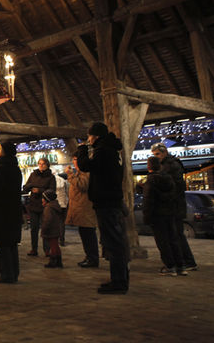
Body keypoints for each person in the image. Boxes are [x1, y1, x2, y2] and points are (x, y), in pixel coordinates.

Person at [77, 122, 129, 295]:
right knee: (115, 242)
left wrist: (82, 150)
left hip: (106, 201)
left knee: (113, 243)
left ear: (96, 136)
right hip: (111, 200)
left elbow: (85, 166)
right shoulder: (113, 151)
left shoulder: (103, 151)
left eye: (90, 136)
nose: (88, 139)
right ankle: (119, 278)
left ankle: (119, 282)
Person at [151, 142, 197, 271]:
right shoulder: (166, 165)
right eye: (154, 155)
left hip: (175, 205)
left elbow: (176, 186)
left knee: (177, 234)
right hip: (173, 204)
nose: (156, 156)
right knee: (175, 234)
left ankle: (187, 261)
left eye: (158, 154)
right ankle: (183, 261)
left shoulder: (171, 165)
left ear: (164, 152)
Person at [0, 141, 23, 284]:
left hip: (2, 210)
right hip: (13, 210)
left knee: (3, 244)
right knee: (12, 244)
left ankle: (6, 274)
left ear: (4, 151)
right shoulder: (16, 168)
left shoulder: (0, 169)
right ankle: (14, 273)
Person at [142, 156, 186, 276]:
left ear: (149, 166)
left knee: (162, 241)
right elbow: (173, 194)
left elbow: (148, 200)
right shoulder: (169, 178)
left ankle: (170, 266)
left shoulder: (151, 180)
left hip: (157, 215)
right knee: (173, 239)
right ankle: (180, 266)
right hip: (170, 213)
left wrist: (146, 216)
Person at [65, 156, 99, 268]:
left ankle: (92, 258)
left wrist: (70, 175)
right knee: (85, 234)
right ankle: (89, 256)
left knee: (88, 235)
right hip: (80, 209)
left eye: (76, 159)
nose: (75, 162)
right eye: (74, 160)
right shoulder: (80, 173)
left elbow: (83, 186)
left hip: (85, 209)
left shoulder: (86, 172)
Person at [22, 158, 56, 256]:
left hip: (45, 206)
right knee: (34, 228)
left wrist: (40, 190)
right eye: (39, 164)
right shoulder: (33, 175)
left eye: (43, 164)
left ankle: (47, 250)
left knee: (46, 228)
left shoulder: (50, 177)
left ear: (47, 165)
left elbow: (52, 191)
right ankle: (34, 249)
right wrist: (31, 186)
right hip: (33, 205)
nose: (41, 165)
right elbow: (25, 187)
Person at [41, 189, 63, 268]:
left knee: (53, 246)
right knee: (56, 245)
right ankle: (58, 261)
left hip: (51, 230)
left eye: (43, 198)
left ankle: (53, 261)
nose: (42, 200)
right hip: (56, 229)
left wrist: (44, 229)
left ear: (47, 199)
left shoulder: (48, 208)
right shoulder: (55, 206)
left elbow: (47, 220)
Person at [55, 172, 69, 246]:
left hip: (55, 204)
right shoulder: (64, 182)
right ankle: (62, 240)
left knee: (55, 223)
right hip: (63, 204)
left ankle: (55, 239)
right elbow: (67, 193)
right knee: (62, 223)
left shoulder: (53, 180)